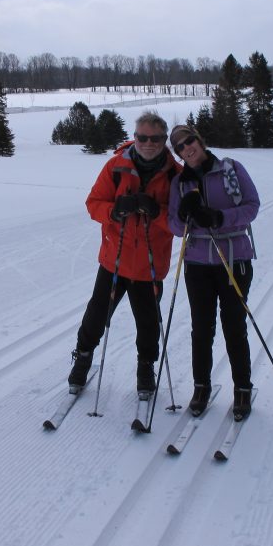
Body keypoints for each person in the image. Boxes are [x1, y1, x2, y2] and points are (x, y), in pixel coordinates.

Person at [67, 112, 182, 395]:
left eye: (155, 138)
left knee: (147, 323)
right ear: (135, 137)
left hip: (149, 266)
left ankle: (146, 368)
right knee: (96, 315)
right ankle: (82, 358)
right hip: (113, 262)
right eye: (142, 137)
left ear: (164, 140)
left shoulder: (175, 174)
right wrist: (114, 211)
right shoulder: (116, 167)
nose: (148, 143)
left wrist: (155, 212)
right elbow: (93, 203)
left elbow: (180, 224)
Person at [166, 124, 260, 420]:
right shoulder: (180, 183)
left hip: (234, 259)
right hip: (197, 262)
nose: (187, 148)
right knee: (201, 328)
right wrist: (184, 215)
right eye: (179, 146)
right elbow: (174, 226)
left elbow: (252, 206)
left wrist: (219, 217)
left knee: (234, 326)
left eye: (189, 140)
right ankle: (201, 386)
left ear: (199, 139)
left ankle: (242, 388)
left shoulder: (231, 169)